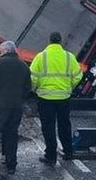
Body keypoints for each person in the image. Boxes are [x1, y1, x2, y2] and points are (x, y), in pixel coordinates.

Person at [30, 32, 83, 166]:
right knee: (64, 124)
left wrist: (35, 89)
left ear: (49, 41)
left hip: (45, 98)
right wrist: (69, 87)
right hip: (63, 97)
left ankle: (51, 156)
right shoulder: (69, 57)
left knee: (48, 127)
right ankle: (68, 152)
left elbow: (33, 78)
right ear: (60, 41)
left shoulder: (41, 57)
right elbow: (78, 76)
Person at [0, 41, 31, 177]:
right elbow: (28, 88)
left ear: (4, 52)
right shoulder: (23, 66)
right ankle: (11, 165)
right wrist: (20, 99)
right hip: (16, 106)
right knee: (11, 135)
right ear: (14, 51)